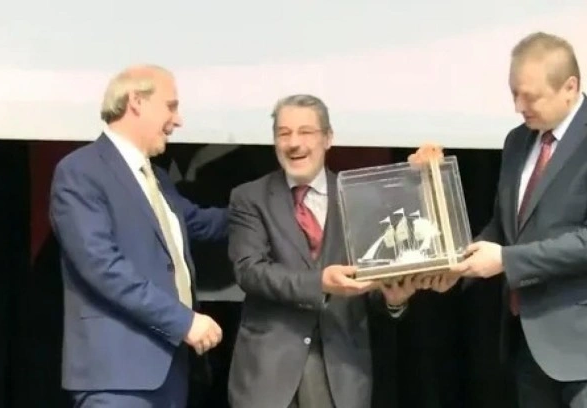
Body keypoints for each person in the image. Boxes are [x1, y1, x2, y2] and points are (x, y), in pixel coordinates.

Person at [411, 32, 587, 407]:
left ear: (569, 87)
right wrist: (458, 264)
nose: (518, 106)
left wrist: (505, 260)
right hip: (530, 346)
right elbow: (505, 226)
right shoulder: (518, 141)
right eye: (514, 94)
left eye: (530, 96)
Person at [227, 94, 439, 408]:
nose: (294, 143)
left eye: (306, 132)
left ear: (328, 138)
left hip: (342, 372)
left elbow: (372, 279)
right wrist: (320, 283)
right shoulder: (249, 197)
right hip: (269, 375)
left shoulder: (360, 198)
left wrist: (393, 300)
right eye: (284, 133)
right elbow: (250, 271)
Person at [49, 64, 227, 407]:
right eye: (171, 106)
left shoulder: (157, 178)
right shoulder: (80, 172)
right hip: (117, 378)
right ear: (136, 102)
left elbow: (200, 223)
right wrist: (184, 322)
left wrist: (269, 205)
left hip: (170, 373)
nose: (178, 120)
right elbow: (103, 268)